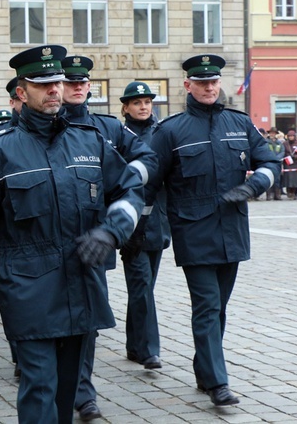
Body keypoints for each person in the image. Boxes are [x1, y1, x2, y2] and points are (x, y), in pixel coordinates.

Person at [0, 45, 144, 424]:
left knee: (68, 389)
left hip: (82, 286)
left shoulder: (90, 142)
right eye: (43, 84)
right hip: (28, 289)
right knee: (39, 385)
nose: (54, 90)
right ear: (22, 91)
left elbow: (130, 190)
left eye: (58, 82)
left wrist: (111, 232)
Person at [145, 54, 280, 407]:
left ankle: (205, 370)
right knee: (206, 306)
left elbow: (269, 160)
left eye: (214, 81)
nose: (208, 87)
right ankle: (219, 384)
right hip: (193, 233)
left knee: (219, 308)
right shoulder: (170, 131)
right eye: (201, 81)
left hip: (232, 230)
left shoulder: (238, 123)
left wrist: (254, 187)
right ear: (187, 85)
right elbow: (149, 181)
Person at [60, 55, 158, 422]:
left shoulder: (108, 128)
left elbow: (147, 157)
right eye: (69, 82)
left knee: (87, 318)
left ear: (88, 86)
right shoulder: (40, 126)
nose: (76, 88)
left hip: (93, 237)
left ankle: (83, 392)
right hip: (45, 238)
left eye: (81, 82)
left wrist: (126, 178)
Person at [118, 81, 170, 377]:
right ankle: (150, 350)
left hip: (157, 223)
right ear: (125, 107)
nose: (143, 107)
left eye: (147, 102)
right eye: (136, 103)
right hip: (129, 223)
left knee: (144, 288)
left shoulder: (161, 134)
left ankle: (134, 345)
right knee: (140, 285)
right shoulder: (118, 135)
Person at [282, 129, 297, 200]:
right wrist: (286, 158)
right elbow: (283, 152)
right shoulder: (285, 144)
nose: (291, 137)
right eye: (289, 136)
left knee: (296, 180)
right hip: (288, 163)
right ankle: (289, 192)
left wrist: (295, 157)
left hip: (296, 163)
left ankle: (295, 192)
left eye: (292, 136)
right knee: (288, 179)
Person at [265, 127, 284, 200]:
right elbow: (265, 151)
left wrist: (277, 158)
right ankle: (269, 195)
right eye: (271, 133)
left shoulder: (279, 143)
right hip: (268, 162)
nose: (272, 134)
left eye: (274, 133)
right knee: (269, 178)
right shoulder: (265, 142)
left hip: (277, 163)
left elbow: (282, 152)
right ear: (269, 133)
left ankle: (277, 195)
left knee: (277, 179)